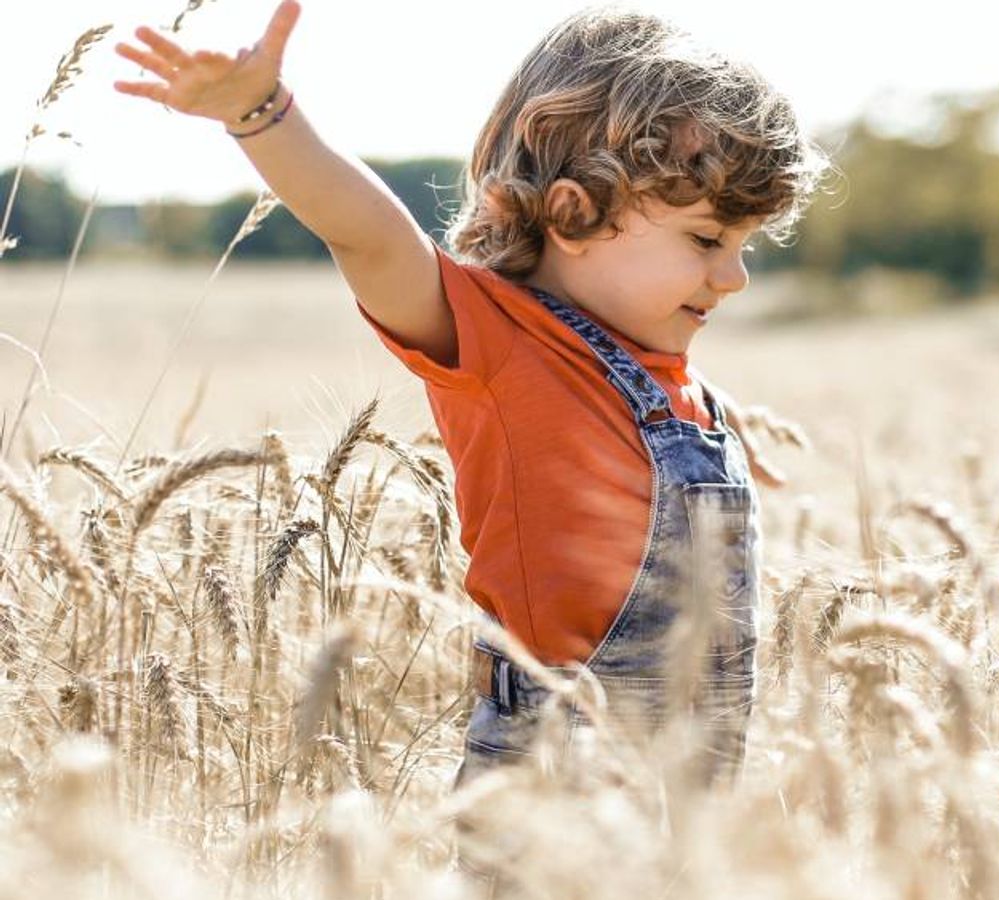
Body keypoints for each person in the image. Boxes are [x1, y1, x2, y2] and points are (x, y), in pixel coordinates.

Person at [112, 0, 829, 887]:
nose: (735, 274)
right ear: (572, 212)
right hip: (552, 775)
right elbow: (368, 236)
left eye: (745, 243)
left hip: (692, 781)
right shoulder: (498, 343)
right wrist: (263, 115)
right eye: (707, 239)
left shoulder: (672, 378)